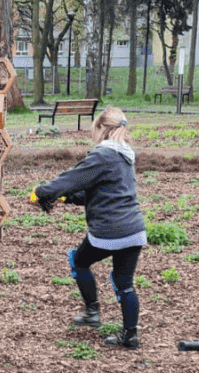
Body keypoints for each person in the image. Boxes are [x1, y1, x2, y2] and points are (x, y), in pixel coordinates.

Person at [30, 106, 146, 349]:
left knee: (79, 260)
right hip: (134, 230)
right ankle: (130, 335)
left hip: (109, 231)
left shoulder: (103, 155)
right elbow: (94, 193)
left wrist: (42, 192)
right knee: (124, 282)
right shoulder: (125, 155)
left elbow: (70, 179)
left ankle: (92, 313)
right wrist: (65, 198)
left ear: (102, 129)